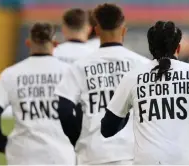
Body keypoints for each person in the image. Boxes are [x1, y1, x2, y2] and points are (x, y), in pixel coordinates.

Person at [102, 21, 189, 165]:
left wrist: (126, 113)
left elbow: (107, 129)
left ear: (151, 48)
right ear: (178, 48)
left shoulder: (132, 77)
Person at [54, 3, 150, 165]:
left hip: (93, 153)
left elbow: (64, 109)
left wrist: (77, 140)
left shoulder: (80, 66)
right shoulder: (142, 65)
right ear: (124, 30)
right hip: (132, 153)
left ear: (96, 31)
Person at [0, 22, 76, 165]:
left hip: (22, 155)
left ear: (28, 43)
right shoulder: (69, 72)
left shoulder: (11, 74)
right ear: (55, 44)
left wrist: (1, 143)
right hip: (61, 156)